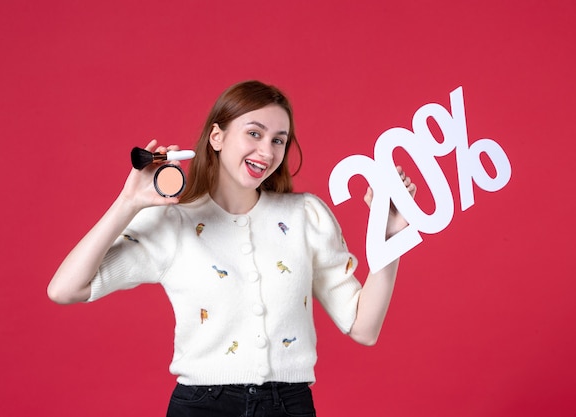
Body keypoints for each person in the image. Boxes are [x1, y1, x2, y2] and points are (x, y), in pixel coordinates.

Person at [48, 80, 417, 417]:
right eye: (253, 133)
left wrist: (389, 236)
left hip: (288, 406)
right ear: (217, 137)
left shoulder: (307, 216)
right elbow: (65, 289)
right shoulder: (174, 223)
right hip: (201, 406)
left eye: (278, 139)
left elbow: (363, 328)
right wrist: (127, 202)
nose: (266, 151)